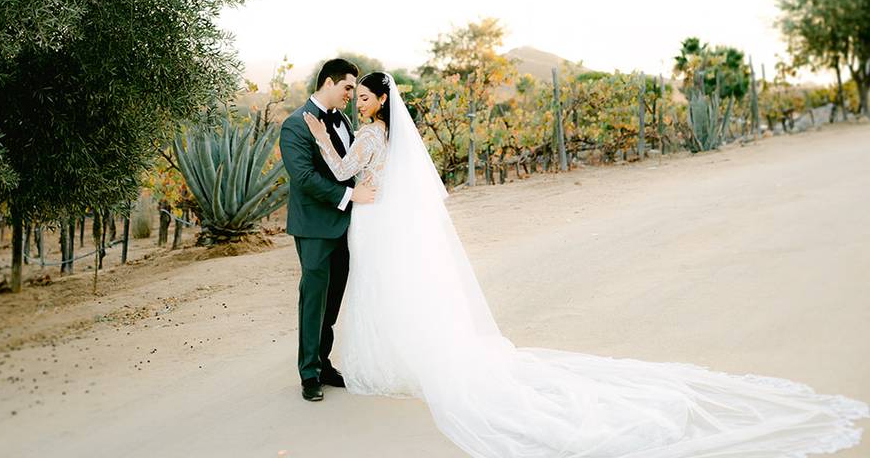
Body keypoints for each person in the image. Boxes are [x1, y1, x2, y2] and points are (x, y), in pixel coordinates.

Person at [302, 70, 868, 458]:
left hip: (372, 216)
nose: (359, 101)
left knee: (383, 293)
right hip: (378, 217)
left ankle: (390, 361)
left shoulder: (370, 133)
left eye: (365, 95)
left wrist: (316, 133)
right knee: (392, 292)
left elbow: (344, 168)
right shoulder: (388, 133)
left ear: (380, 101)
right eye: (356, 96)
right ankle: (403, 356)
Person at [278, 58, 376, 402]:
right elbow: (304, 178)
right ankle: (308, 374)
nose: (352, 94)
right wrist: (351, 196)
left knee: (332, 302)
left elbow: (346, 167)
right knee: (313, 300)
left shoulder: (344, 121)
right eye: (348, 87)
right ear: (329, 83)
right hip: (315, 228)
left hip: (346, 226)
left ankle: (324, 362)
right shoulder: (294, 126)